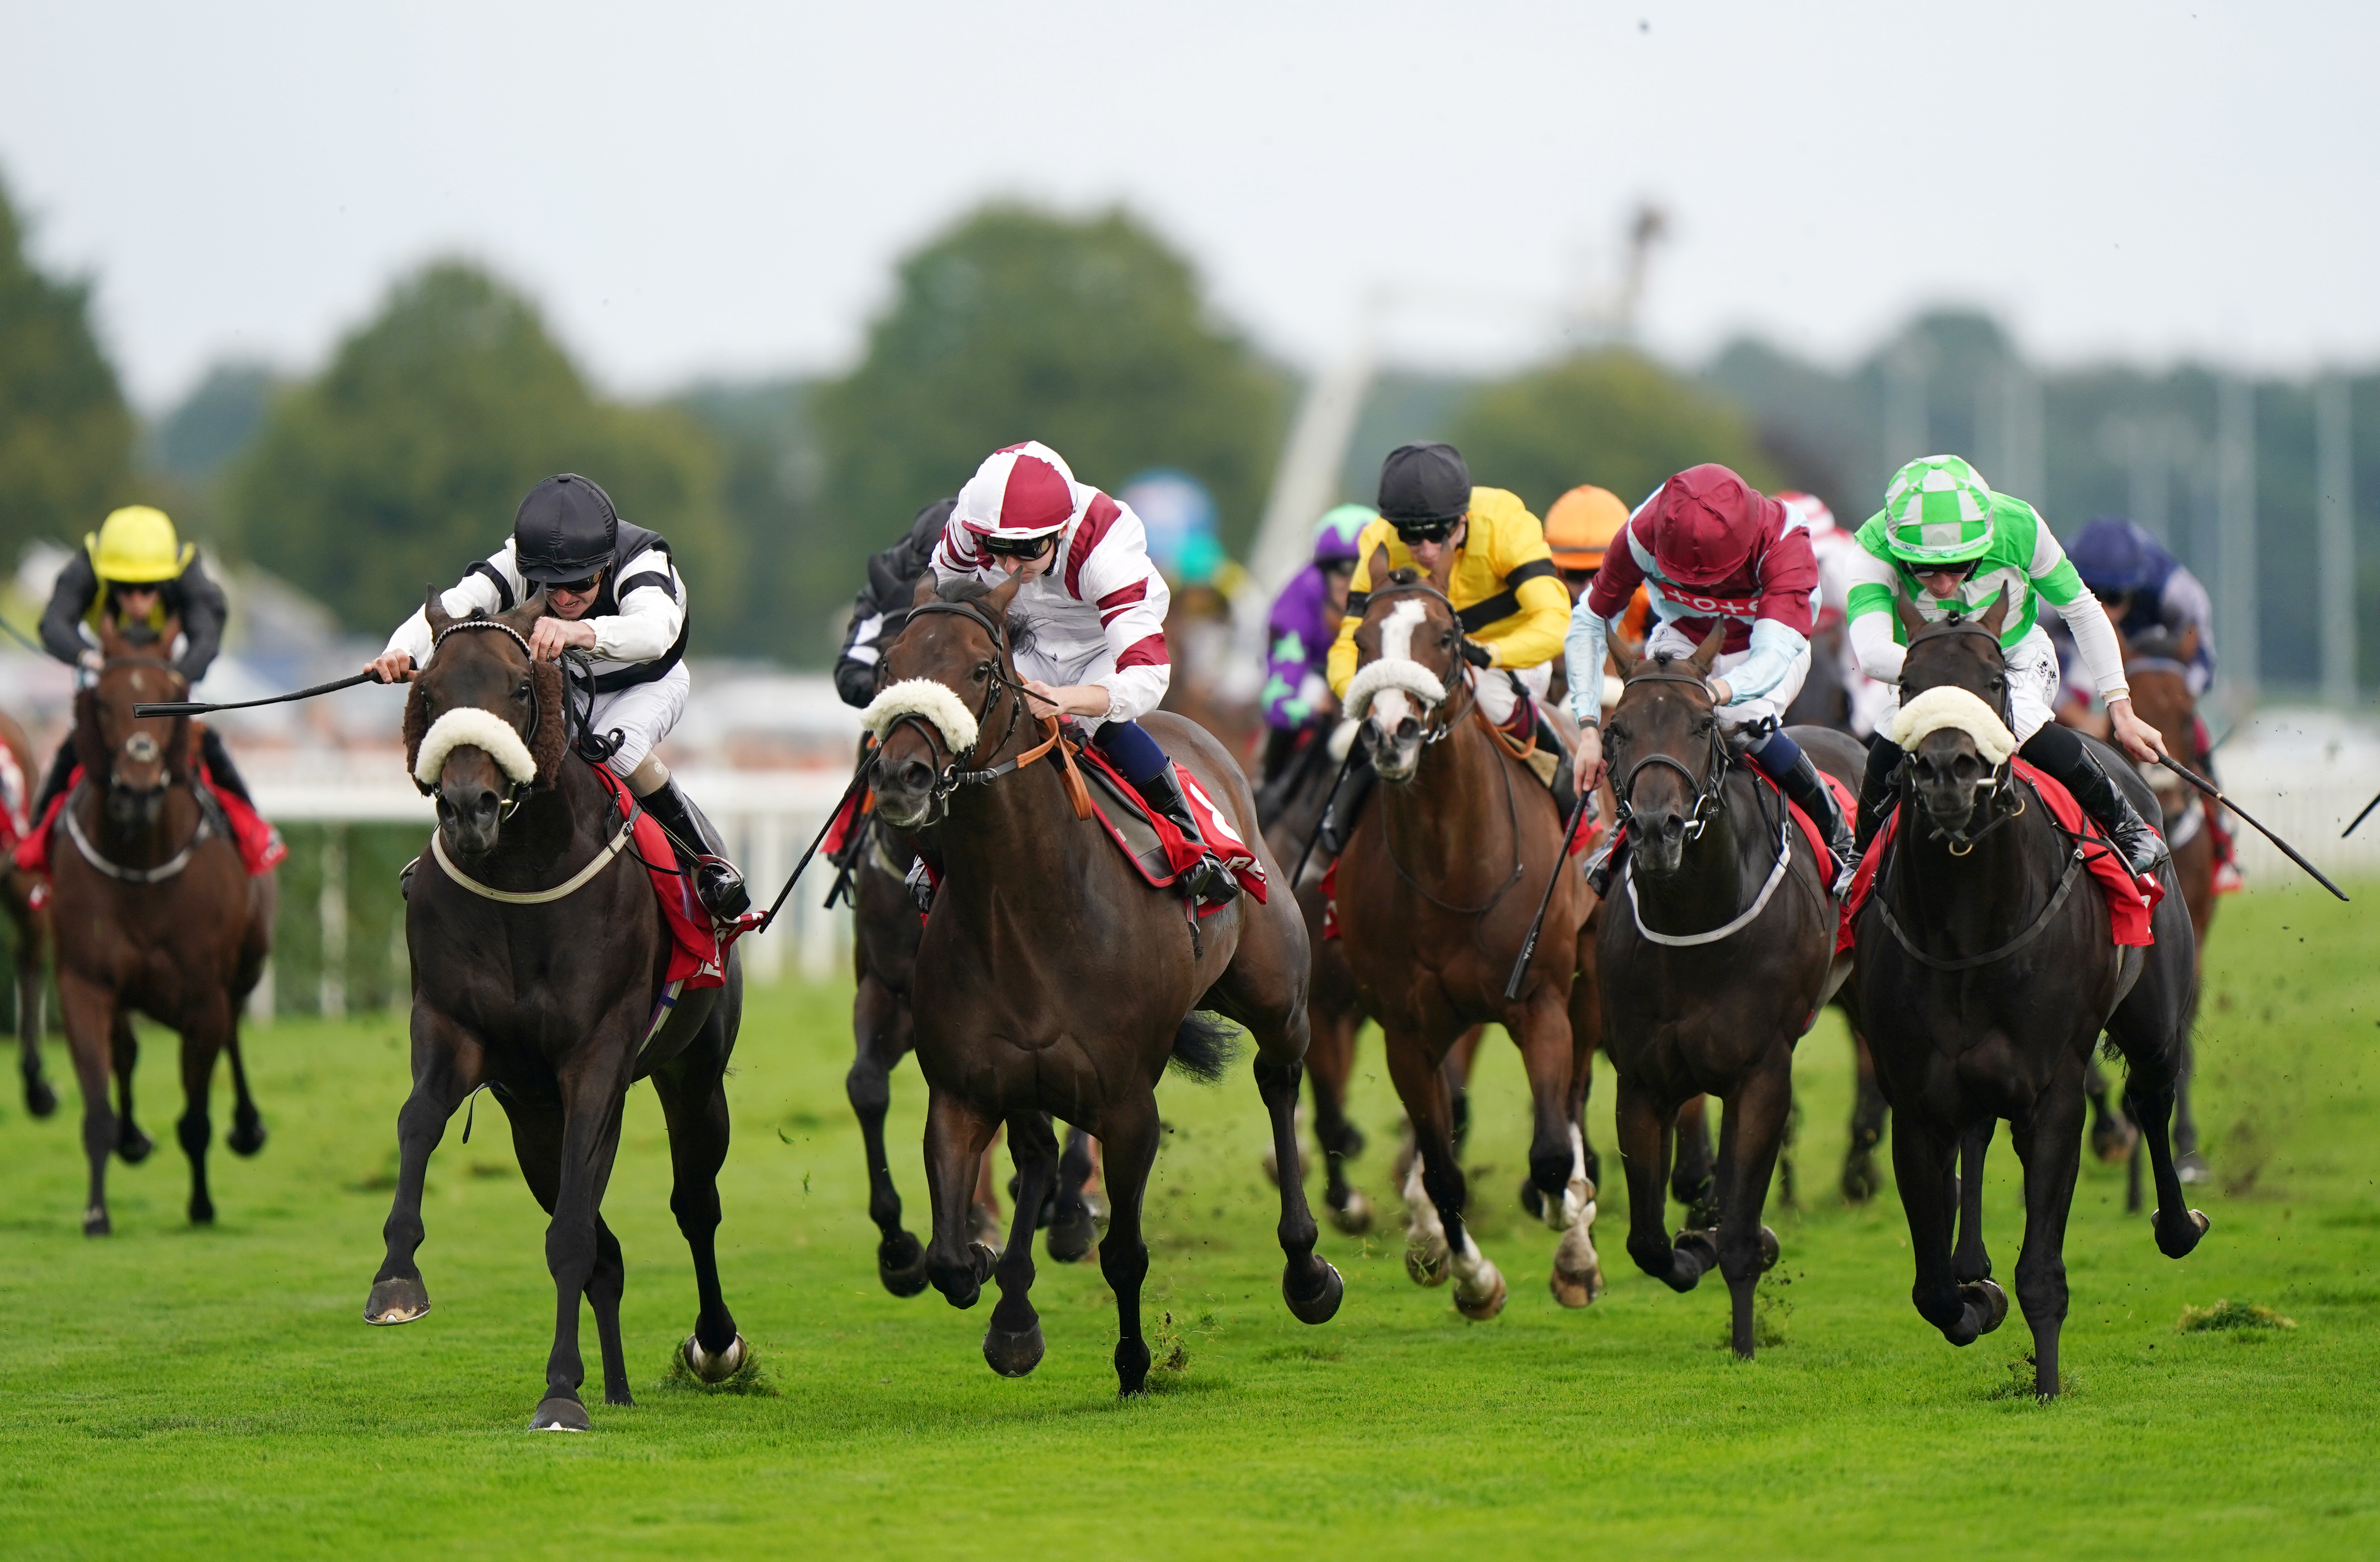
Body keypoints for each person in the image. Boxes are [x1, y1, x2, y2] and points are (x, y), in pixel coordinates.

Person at [366, 473, 749, 918]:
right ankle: (450, 850)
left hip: (647, 682)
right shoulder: (517, 558)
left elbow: (656, 630)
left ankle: (705, 861)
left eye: (580, 584)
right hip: (569, 686)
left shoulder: (642, 560)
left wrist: (579, 631)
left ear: (605, 566)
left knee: (614, 753)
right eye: (550, 586)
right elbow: (451, 606)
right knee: (519, 738)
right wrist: (397, 651)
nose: (564, 598)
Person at [926, 440, 1236, 903]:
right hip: (1025, 630)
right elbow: (942, 601)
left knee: (1099, 724)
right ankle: (930, 853)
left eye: (1027, 549)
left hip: (1100, 638)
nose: (1010, 565)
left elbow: (1148, 677)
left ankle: (1192, 842)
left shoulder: (1106, 547)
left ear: (1062, 530)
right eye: (998, 549)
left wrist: (1068, 699)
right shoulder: (972, 523)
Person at [1842, 456, 2170, 880]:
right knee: (1892, 731)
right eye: (1924, 569)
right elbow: (1870, 653)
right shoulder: (1872, 547)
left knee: (2021, 716)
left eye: (1960, 566)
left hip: (2016, 655)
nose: (1942, 584)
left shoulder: (2020, 527)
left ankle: (2128, 827)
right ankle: (1859, 856)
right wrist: (1952, 675)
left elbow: (2083, 610)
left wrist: (2120, 710)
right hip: (1922, 667)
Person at [1566, 464, 1857, 894]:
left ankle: (1837, 832)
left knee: (1739, 718)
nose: (1701, 587)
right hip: (1683, 638)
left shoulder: (1785, 540)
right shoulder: (1641, 531)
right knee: (1652, 716)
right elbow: (1590, 619)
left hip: (1766, 646)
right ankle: (1624, 831)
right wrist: (1588, 727)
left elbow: (1775, 654)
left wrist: (1714, 693)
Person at [1316, 442, 1571, 851]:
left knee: (1491, 696)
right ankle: (1337, 827)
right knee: (1375, 726)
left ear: (1463, 517)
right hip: (1420, 661)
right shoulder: (1378, 540)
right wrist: (1363, 694)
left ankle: (1571, 796)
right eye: (1411, 536)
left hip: (1505, 653)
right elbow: (1351, 637)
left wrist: (1491, 654)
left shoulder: (1506, 522)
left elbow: (1554, 622)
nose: (1427, 550)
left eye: (1439, 532)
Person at [29, 504, 248, 820]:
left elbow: (208, 635)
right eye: (123, 588)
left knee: (206, 740)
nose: (136, 600)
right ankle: (38, 838)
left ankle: (252, 838)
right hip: (108, 671)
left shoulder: (184, 569)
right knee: (76, 742)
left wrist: (179, 675)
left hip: (167, 675)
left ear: (164, 581)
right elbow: (53, 624)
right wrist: (88, 658)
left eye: (148, 589)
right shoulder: (91, 563)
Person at [1256, 503, 1373, 785]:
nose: (1348, 580)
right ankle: (1265, 792)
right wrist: (1311, 712)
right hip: (1316, 679)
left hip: (1369, 680)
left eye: (1358, 568)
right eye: (1338, 569)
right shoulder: (1298, 600)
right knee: (1310, 692)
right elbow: (1277, 703)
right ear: (1322, 572)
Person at [1777, 489, 1896, 738]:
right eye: (1789, 562)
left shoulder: (1853, 568)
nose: (1803, 572)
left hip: (1849, 660)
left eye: (1813, 561)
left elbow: (1876, 655)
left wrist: (1860, 726)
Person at [2057, 517, 2217, 696]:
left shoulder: (2173, 591)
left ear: (2131, 590)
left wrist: (2178, 698)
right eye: (2089, 593)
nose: (2100, 611)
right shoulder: (2051, 584)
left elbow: (2203, 663)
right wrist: (2082, 719)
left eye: (2112, 597)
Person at [835, 497, 958, 710]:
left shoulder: (998, 565)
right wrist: (886, 686)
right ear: (916, 560)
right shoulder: (891, 573)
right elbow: (852, 671)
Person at [1541, 482, 1640, 712]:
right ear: (1558, 572)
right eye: (1576, 574)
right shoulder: (1538, 606)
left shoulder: (1653, 605)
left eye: (1600, 574)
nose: (1589, 587)